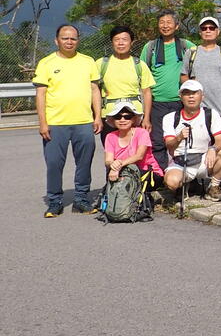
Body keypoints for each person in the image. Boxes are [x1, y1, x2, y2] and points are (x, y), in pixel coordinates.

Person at [35, 24, 103, 217]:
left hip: (83, 122)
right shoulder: (46, 63)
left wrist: (97, 116)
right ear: (56, 40)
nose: (69, 41)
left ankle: (81, 199)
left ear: (78, 40)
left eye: (73, 38)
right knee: (54, 164)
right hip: (55, 123)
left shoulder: (88, 61)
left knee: (84, 163)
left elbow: (95, 90)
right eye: (65, 38)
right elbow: (40, 94)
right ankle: (55, 201)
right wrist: (43, 123)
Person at [162, 80, 221, 201]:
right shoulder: (170, 118)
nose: (191, 96)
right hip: (180, 162)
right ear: (181, 97)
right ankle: (184, 185)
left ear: (202, 96)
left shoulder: (211, 114)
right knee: (171, 182)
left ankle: (213, 186)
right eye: (187, 93)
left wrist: (213, 149)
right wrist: (179, 137)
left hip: (204, 161)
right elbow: (169, 145)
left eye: (195, 93)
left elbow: (220, 140)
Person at [141, 11, 192, 172]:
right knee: (157, 142)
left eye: (169, 22)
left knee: (182, 139)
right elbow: (143, 74)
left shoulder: (186, 46)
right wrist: (146, 116)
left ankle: (183, 175)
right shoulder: (150, 47)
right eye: (162, 22)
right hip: (157, 103)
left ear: (176, 26)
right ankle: (160, 176)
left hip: (180, 103)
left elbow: (204, 55)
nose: (165, 25)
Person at [96, 24, 155, 146]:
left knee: (135, 152)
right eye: (117, 40)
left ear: (131, 42)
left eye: (124, 39)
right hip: (109, 117)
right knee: (111, 153)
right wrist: (96, 117)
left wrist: (146, 118)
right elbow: (94, 91)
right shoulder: (101, 64)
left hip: (134, 116)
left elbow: (147, 92)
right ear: (111, 43)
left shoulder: (139, 65)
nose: (121, 43)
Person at [180, 16, 221, 121]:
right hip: (196, 112)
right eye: (204, 28)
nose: (208, 31)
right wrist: (191, 85)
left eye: (211, 28)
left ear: (218, 32)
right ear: (200, 32)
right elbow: (183, 76)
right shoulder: (191, 53)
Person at [102, 102, 160, 191]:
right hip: (122, 171)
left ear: (134, 119)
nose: (122, 120)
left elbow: (139, 156)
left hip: (146, 172)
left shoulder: (142, 133)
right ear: (113, 120)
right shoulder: (110, 136)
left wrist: (118, 166)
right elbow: (108, 160)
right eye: (118, 117)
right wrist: (112, 165)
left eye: (127, 117)